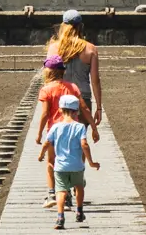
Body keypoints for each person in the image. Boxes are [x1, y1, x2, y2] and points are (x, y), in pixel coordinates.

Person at [36, 54, 97, 207]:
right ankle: (69, 192)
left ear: (49, 71)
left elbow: (44, 113)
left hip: (55, 129)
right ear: (63, 71)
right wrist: (94, 128)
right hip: (73, 129)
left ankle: (52, 194)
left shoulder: (46, 89)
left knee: (51, 162)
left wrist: (39, 134)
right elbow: (84, 108)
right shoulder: (73, 87)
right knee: (71, 159)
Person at [38, 94, 100, 230]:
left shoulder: (55, 127)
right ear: (77, 111)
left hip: (60, 167)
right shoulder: (80, 127)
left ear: (60, 110)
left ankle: (60, 217)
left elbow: (47, 143)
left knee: (61, 192)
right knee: (79, 187)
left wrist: (41, 155)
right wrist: (91, 162)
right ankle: (79, 211)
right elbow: (84, 144)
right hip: (77, 166)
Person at [45, 10, 103, 128]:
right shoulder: (91, 49)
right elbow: (95, 81)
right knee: (79, 139)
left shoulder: (53, 48)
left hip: (59, 99)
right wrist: (98, 107)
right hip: (82, 100)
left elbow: (48, 78)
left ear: (63, 26)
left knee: (59, 139)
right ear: (80, 26)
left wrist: (46, 105)